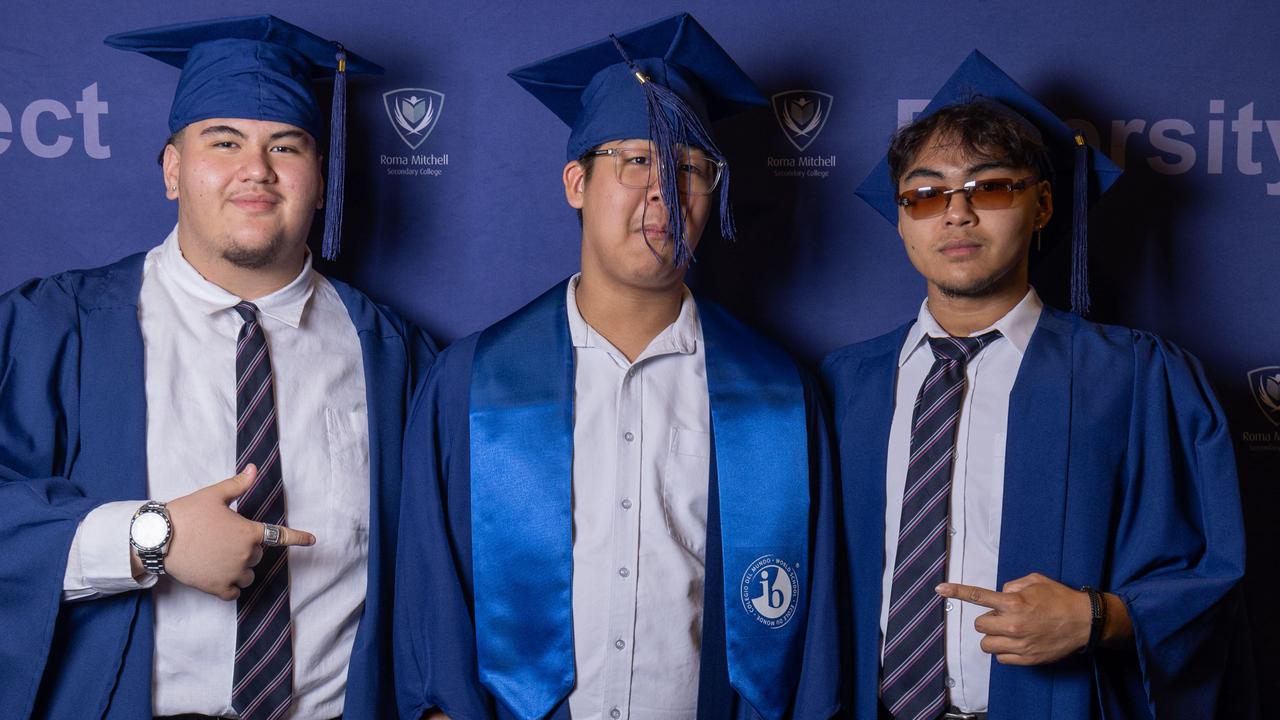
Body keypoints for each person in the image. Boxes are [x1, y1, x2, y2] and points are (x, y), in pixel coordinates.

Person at [393, 13, 840, 720]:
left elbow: (810, 632)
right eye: (637, 159)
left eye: (692, 168)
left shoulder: (776, 396)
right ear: (576, 181)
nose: (666, 188)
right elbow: (431, 600)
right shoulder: (473, 381)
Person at [0, 15, 435, 720]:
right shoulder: (53, 329)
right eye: (223, 141)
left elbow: (442, 576)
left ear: (321, 180)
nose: (255, 170)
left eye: (286, 146)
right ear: (172, 169)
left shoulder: (399, 359)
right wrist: (152, 538)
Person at [824, 51, 1245, 720]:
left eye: (989, 188)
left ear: (1043, 203)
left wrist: (1099, 617)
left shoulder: (1137, 378)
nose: (956, 214)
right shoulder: (839, 388)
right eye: (926, 194)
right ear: (902, 219)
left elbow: (1214, 576)